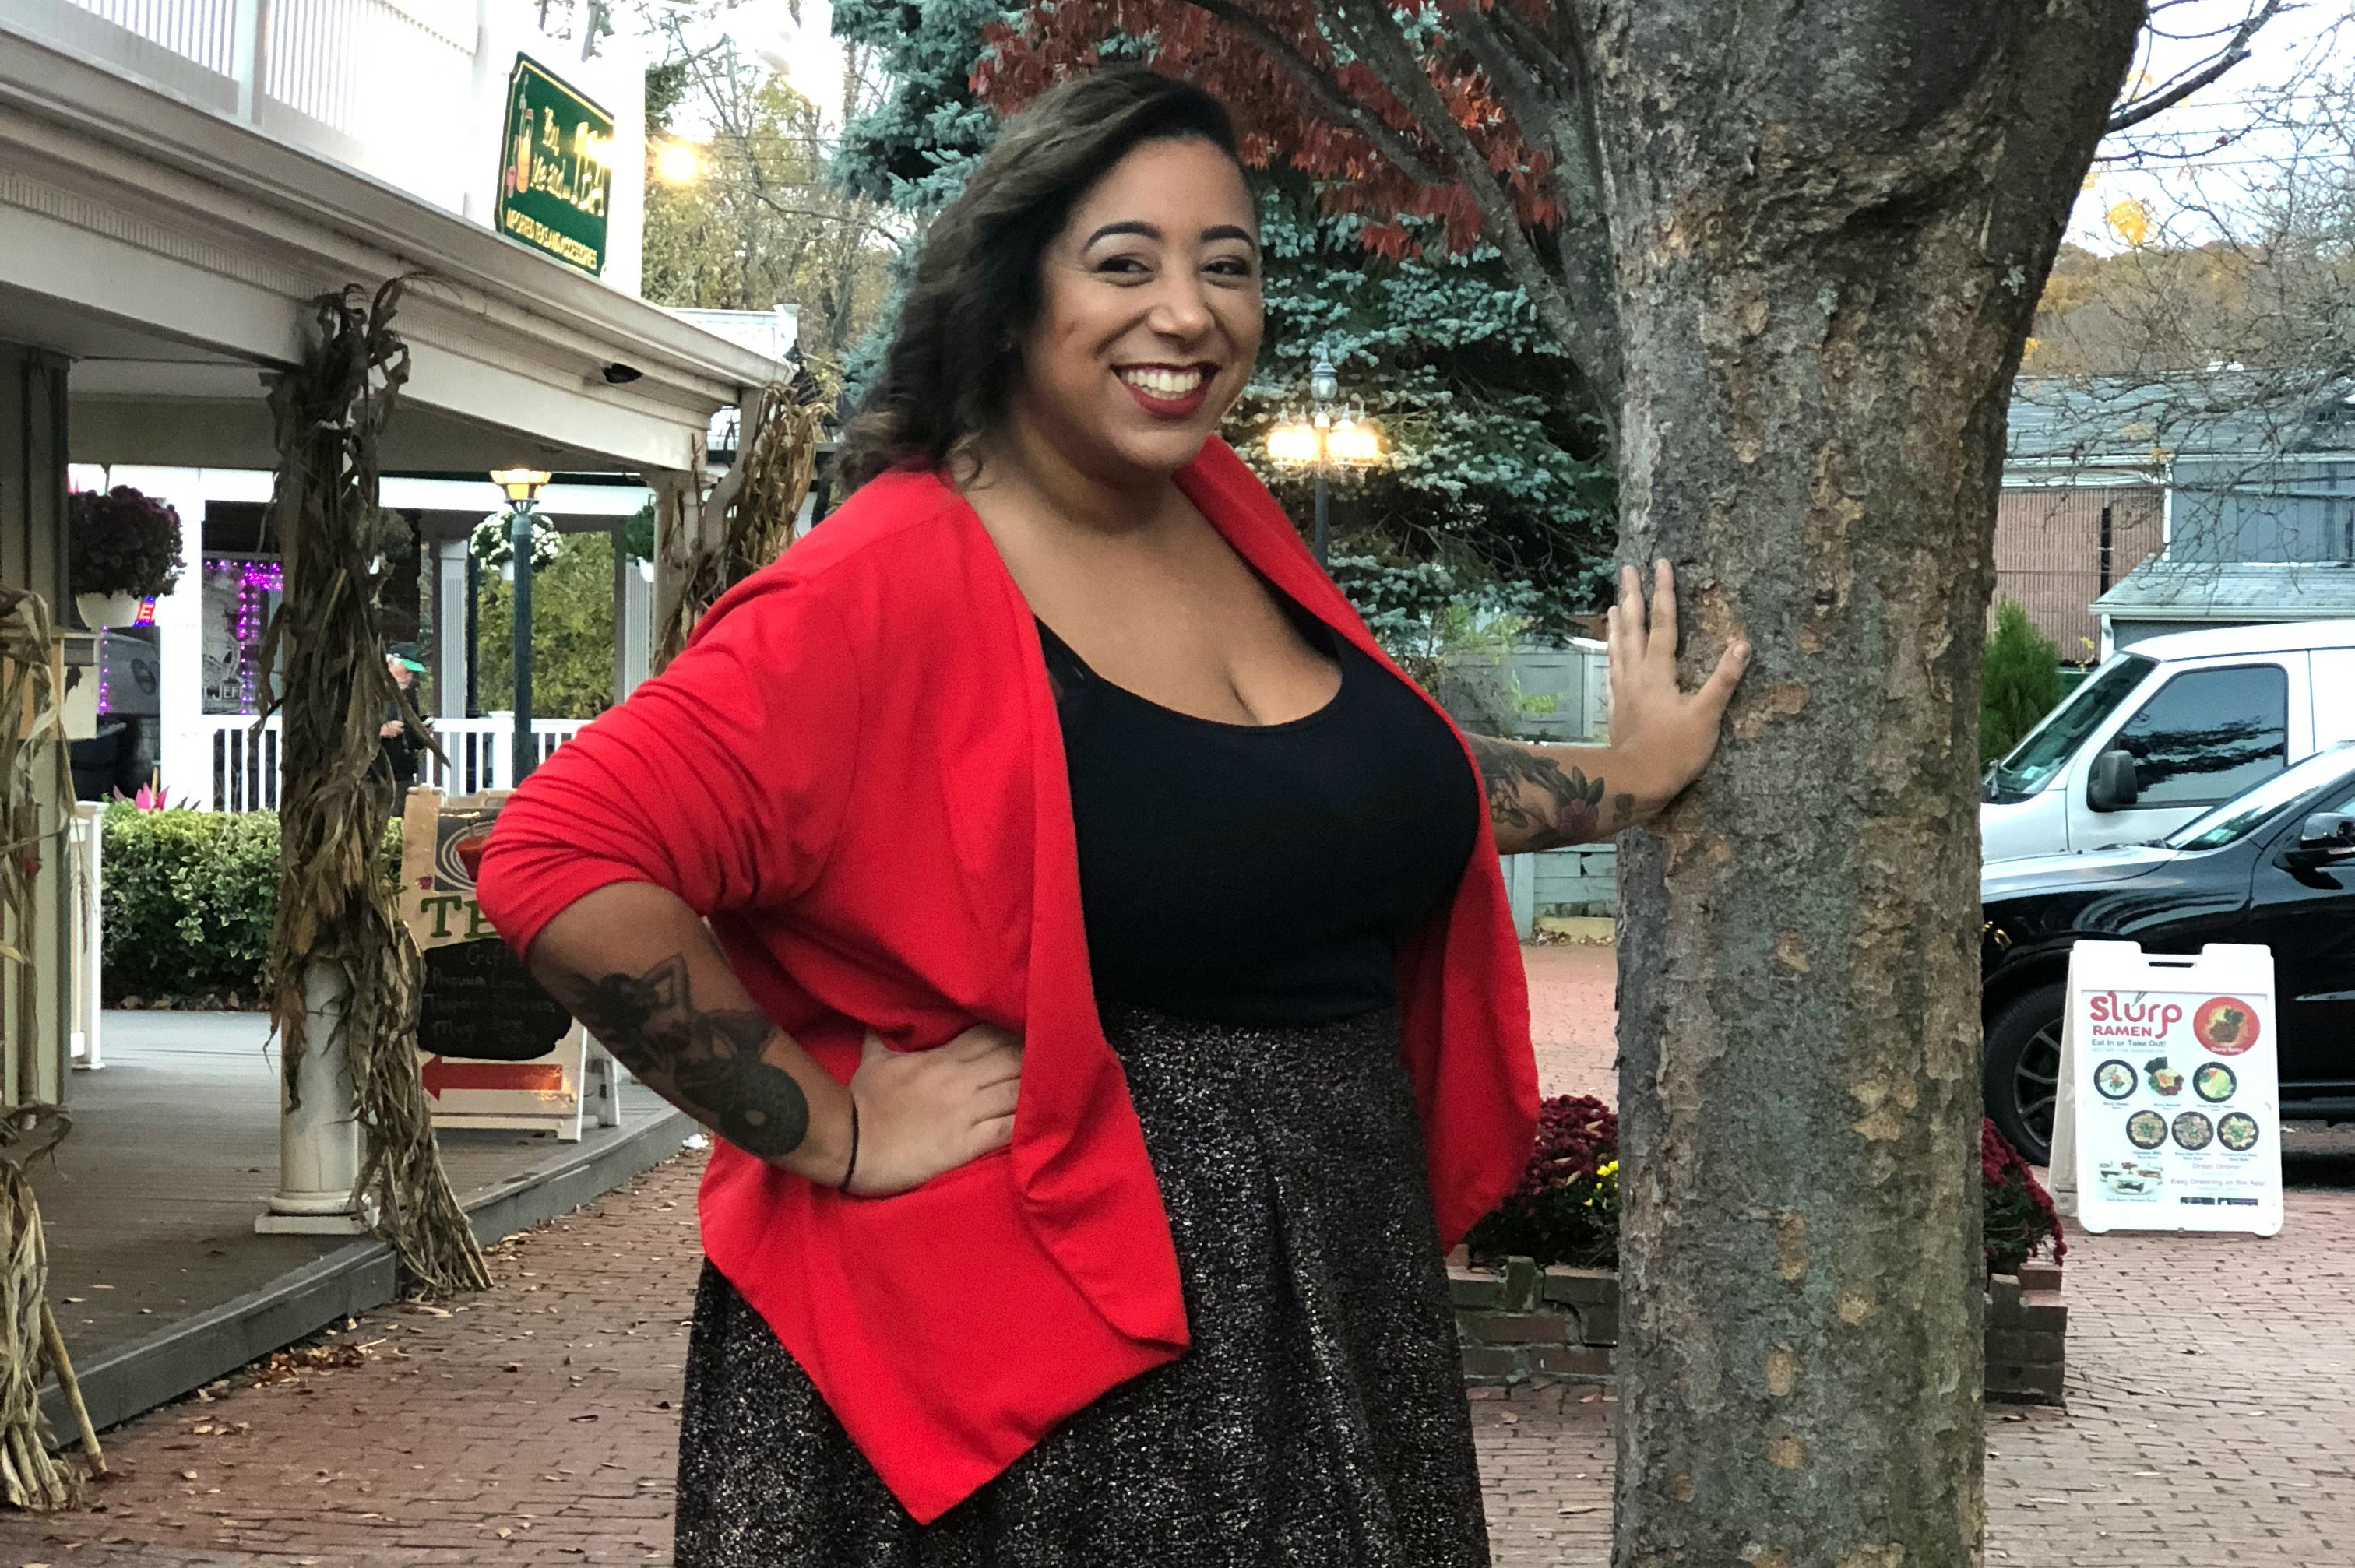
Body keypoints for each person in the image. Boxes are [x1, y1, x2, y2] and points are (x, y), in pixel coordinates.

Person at [475, 69, 1747, 1566]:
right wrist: (826, 1124)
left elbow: (1316, 790)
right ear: (1012, 298)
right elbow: (557, 855)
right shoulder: (877, 585)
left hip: (1331, 1276)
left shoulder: (1217, 510)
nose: (1189, 312)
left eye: (1227, 264)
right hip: (1061, 1338)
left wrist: (1624, 774)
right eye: (1124, 262)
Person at [378, 642, 428, 801]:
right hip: (377, 777)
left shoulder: (409, 697)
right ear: (389, 663)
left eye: (412, 673)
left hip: (404, 777)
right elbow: (349, 730)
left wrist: (421, 733)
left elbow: (413, 742)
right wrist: (381, 731)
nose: (409, 678)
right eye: (406, 671)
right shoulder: (370, 692)